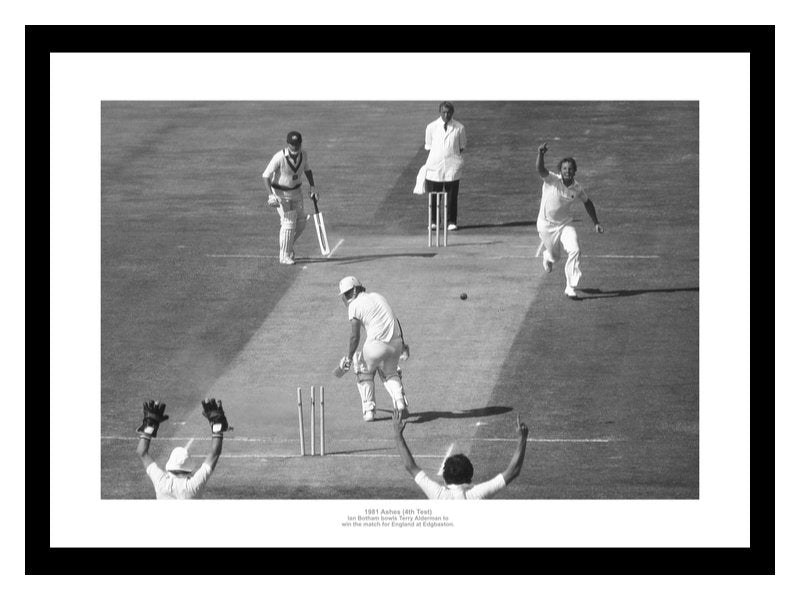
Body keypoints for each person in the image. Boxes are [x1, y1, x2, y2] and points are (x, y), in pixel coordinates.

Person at [392, 410, 529, 499]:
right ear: (470, 476)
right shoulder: (477, 494)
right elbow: (513, 471)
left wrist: (398, 434)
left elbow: (410, 466)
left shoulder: (438, 495)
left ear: (445, 477)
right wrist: (522, 439)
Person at [535, 142, 604, 299]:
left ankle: (570, 287)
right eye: (565, 169)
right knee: (555, 257)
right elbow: (540, 169)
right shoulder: (552, 179)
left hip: (565, 224)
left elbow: (588, 202)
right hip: (546, 226)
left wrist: (596, 223)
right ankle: (548, 256)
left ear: (575, 171)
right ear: (560, 170)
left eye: (570, 169)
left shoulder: (577, 188)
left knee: (575, 250)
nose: (567, 171)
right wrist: (541, 154)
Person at [336, 276, 410, 422]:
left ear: (355, 290)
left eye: (347, 294)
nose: (346, 298)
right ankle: (400, 401)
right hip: (396, 342)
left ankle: (369, 410)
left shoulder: (354, 306)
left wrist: (349, 358)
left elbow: (355, 336)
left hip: (376, 346)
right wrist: (403, 344)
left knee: (362, 368)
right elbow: (395, 320)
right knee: (390, 372)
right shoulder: (378, 296)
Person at [135, 398, 229, 499]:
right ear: (189, 469)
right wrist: (217, 428)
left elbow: (142, 452)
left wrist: (149, 428)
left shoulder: (161, 482)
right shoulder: (194, 485)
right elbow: (214, 453)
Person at [262, 131, 319, 265]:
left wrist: (313, 187)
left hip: (297, 192)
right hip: (281, 194)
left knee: (301, 222)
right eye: (293, 144)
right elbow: (265, 176)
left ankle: (287, 247)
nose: (295, 147)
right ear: (288, 144)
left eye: (297, 144)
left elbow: (307, 170)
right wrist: (271, 195)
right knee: (288, 223)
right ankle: (284, 255)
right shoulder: (279, 157)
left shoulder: (304, 154)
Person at [423, 101, 467, 231]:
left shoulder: (459, 128)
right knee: (434, 195)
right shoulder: (431, 127)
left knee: (452, 196)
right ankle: (434, 221)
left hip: (452, 167)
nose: (446, 115)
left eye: (449, 112)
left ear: (452, 113)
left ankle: (451, 221)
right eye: (444, 112)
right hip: (434, 167)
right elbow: (429, 146)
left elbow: (461, 146)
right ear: (440, 112)